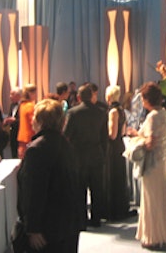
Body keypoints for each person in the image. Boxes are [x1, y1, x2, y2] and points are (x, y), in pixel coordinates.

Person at [17, 98, 81, 252]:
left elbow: (34, 191)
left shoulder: (37, 149)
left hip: (47, 226)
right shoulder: (66, 144)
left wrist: (32, 227)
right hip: (67, 223)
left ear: (39, 121)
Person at [64, 84, 108, 229]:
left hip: (78, 156)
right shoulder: (102, 112)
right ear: (92, 96)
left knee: (80, 190)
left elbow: (66, 136)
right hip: (96, 154)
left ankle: (81, 221)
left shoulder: (73, 113)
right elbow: (104, 138)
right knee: (97, 189)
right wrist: (104, 154)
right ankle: (96, 219)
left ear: (78, 97)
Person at [135, 82, 166, 249]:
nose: (142, 101)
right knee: (159, 198)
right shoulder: (164, 113)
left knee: (151, 198)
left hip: (153, 161)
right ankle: (159, 234)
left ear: (147, 99)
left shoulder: (152, 116)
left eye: (142, 98)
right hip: (163, 159)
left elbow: (150, 143)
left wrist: (137, 142)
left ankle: (152, 237)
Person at [104, 85, 130, 221]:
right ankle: (120, 207)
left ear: (108, 96)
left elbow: (112, 134)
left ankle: (113, 210)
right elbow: (123, 131)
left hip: (113, 147)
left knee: (112, 176)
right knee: (119, 176)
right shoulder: (122, 110)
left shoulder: (113, 111)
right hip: (120, 145)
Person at [17, 84, 37, 159]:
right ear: (30, 94)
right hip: (29, 136)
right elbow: (33, 122)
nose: (35, 95)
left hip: (22, 136)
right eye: (35, 93)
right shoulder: (30, 106)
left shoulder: (22, 105)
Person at [4, 87, 22, 159]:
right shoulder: (12, 105)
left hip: (20, 132)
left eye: (12, 94)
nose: (10, 96)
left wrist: (14, 121)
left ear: (18, 95)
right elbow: (10, 115)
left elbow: (24, 121)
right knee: (13, 154)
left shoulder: (23, 105)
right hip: (13, 133)